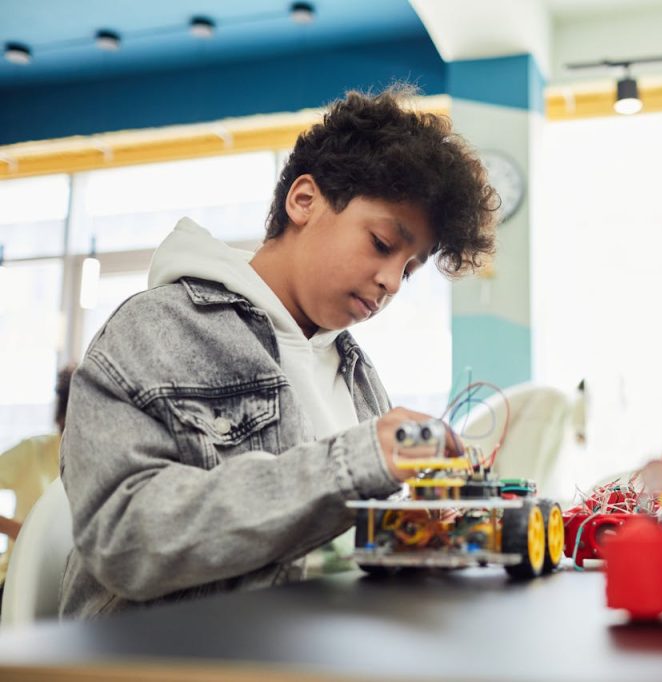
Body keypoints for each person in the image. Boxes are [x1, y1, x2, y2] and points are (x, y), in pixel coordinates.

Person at [59, 85, 497, 618]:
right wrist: (354, 464)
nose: (392, 282)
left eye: (409, 268)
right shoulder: (156, 331)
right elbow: (125, 539)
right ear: (304, 200)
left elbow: (347, 552)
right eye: (383, 243)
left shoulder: (356, 373)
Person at [0, 363, 75, 602]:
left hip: (67, 589)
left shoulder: (106, 463)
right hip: (17, 583)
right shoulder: (33, 451)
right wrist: (23, 533)